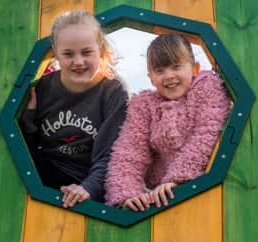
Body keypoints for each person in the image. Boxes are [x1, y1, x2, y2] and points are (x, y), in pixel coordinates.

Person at [105, 33, 232, 211]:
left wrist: (177, 179)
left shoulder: (206, 88)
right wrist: (126, 194)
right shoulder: (145, 106)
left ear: (194, 69)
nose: (169, 75)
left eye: (176, 67)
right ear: (150, 77)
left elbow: (206, 134)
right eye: (160, 71)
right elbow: (129, 151)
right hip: (159, 194)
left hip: (206, 186)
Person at [19, 10, 128, 208]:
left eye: (87, 52)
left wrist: (88, 188)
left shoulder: (113, 90)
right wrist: (28, 118)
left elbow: (113, 152)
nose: (78, 62)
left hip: (93, 180)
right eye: (68, 54)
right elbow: (25, 147)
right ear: (55, 53)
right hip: (47, 175)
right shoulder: (42, 88)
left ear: (101, 50)